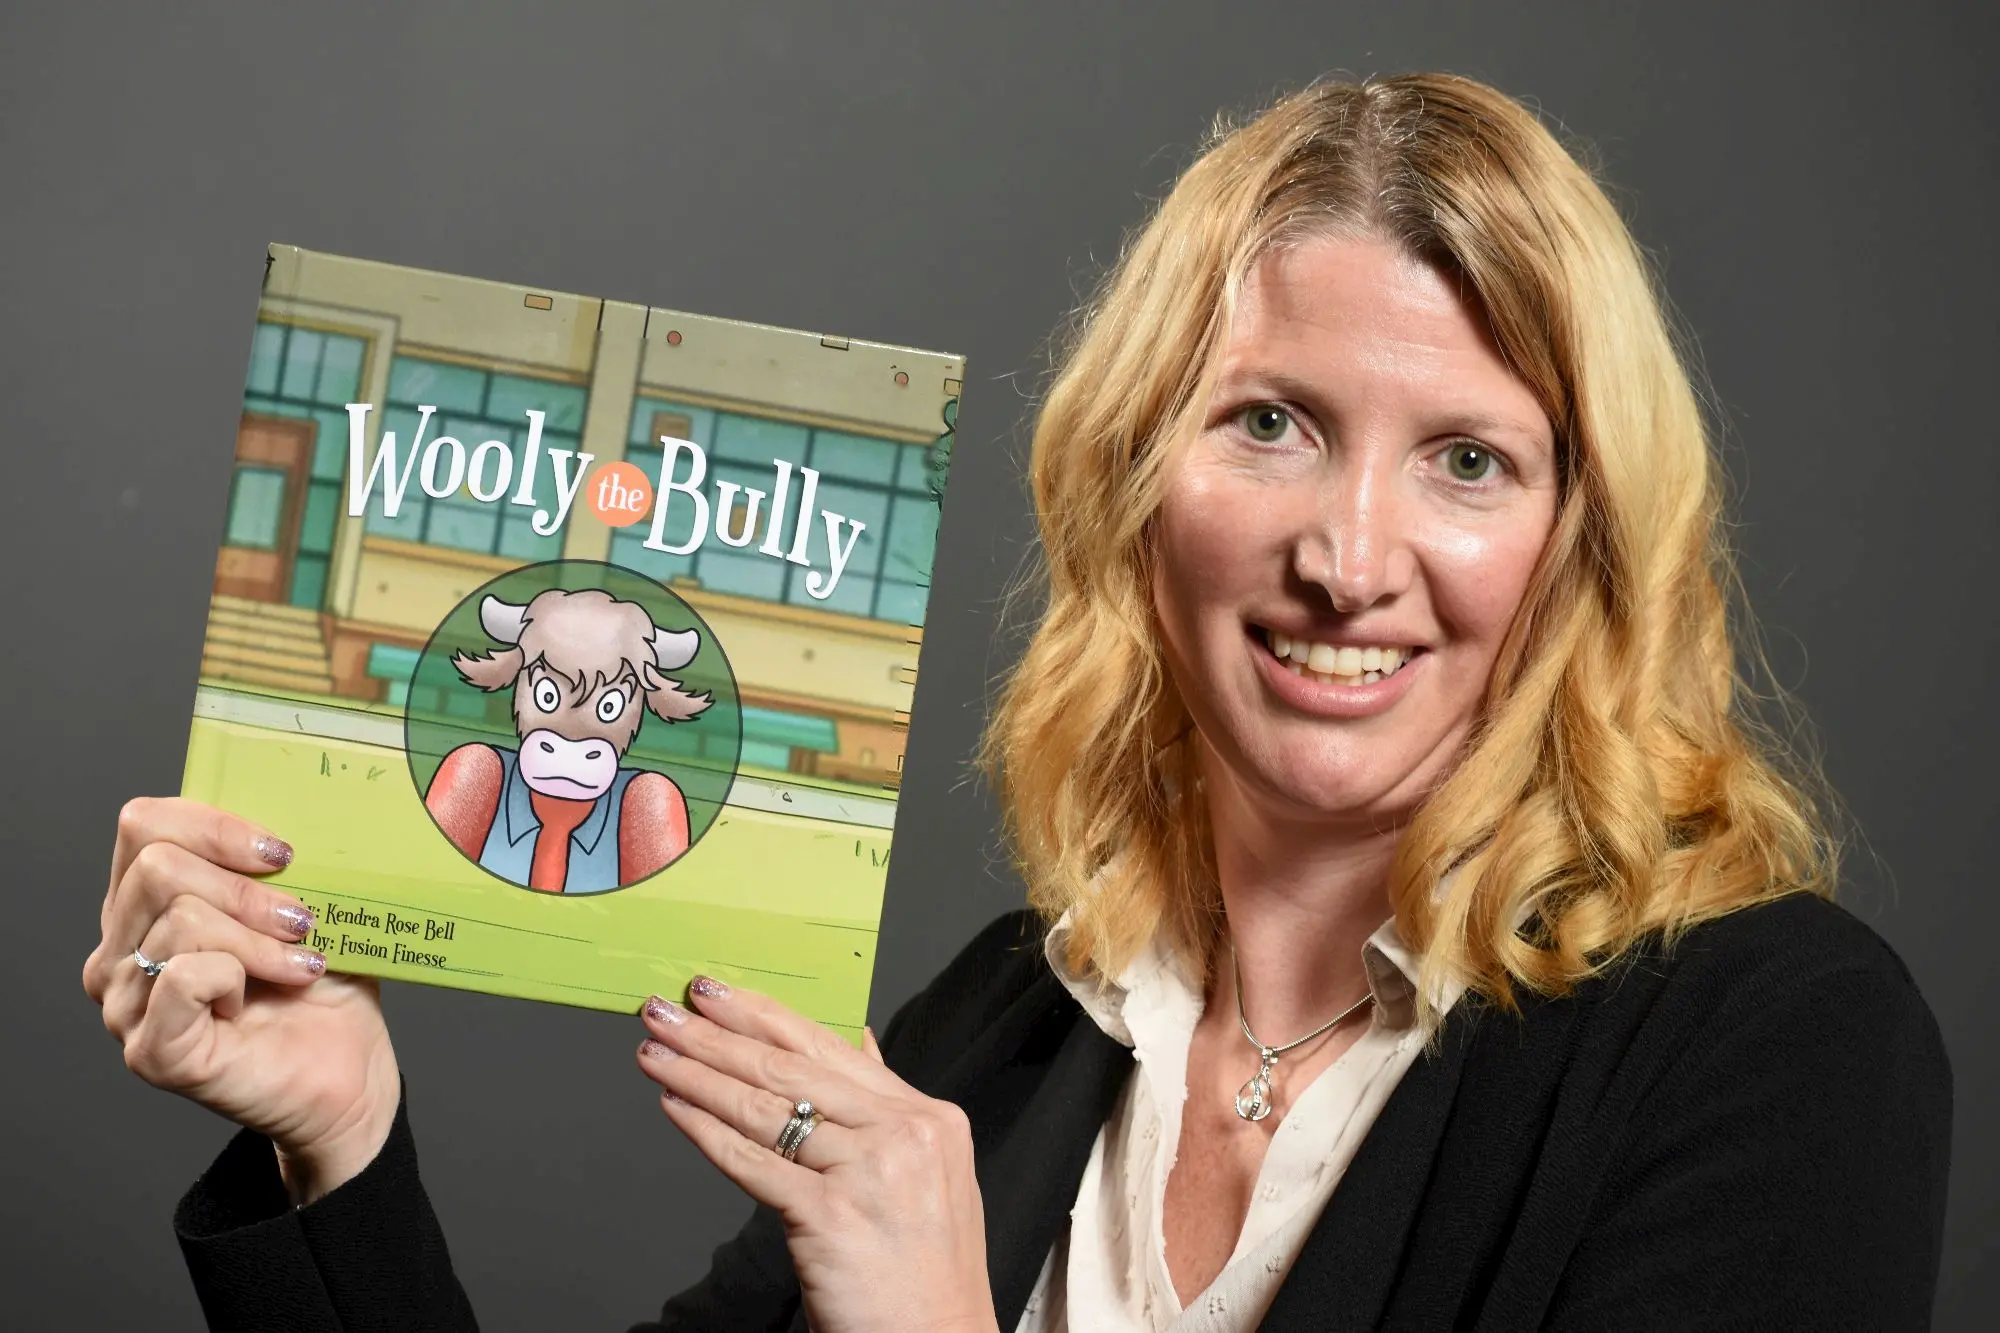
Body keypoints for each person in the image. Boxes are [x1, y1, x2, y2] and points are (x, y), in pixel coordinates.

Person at [84, 72, 1951, 1332]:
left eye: (1469, 460)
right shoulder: (1006, 1024)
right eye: (1272, 424)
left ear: (1580, 540)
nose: (1351, 554)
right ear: (1138, 482)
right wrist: (333, 1136)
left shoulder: (1777, 1047)